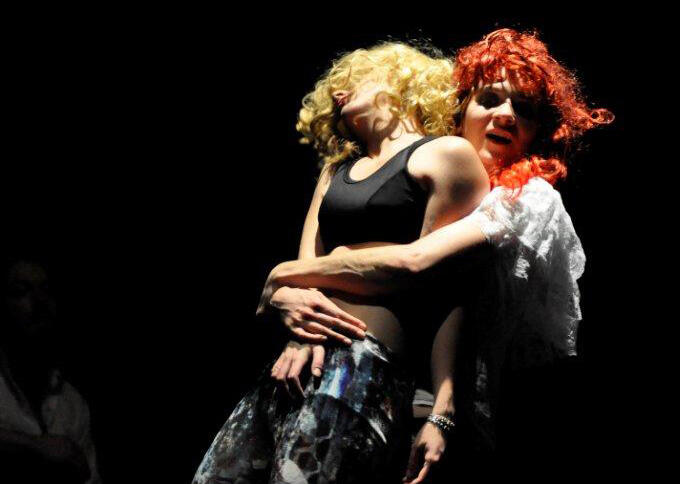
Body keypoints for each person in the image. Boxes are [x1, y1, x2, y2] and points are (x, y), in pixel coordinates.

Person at [259, 28, 613, 480]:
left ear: (536, 133)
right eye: (490, 100)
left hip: (459, 408)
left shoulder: (526, 199)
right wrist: (297, 313)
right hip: (386, 380)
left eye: (523, 110)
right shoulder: (433, 180)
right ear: (461, 110)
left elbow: (420, 269)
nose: (506, 115)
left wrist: (283, 275)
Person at [193, 42, 489, 484]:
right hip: (296, 361)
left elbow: (449, 289)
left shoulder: (444, 154)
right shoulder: (336, 172)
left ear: (399, 82)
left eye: (356, 79)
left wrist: (443, 410)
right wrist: (296, 330)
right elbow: (305, 270)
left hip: (365, 365)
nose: (338, 92)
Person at [0, 256, 102, 484]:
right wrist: (35, 446)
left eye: (46, 290)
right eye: (21, 291)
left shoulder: (72, 403)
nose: (39, 301)